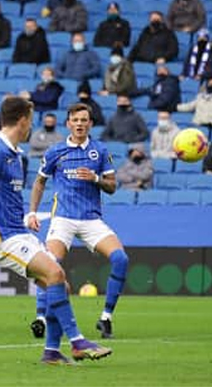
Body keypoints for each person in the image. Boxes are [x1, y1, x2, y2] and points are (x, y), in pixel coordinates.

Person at [0, 97, 112, 364]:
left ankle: (51, 352)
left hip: (18, 232)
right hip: (1, 238)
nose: (32, 126)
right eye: (30, 120)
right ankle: (77, 342)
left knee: (59, 285)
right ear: (22, 121)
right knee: (55, 273)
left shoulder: (15, 154)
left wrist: (28, 215)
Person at [27, 102, 127, 339]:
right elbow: (39, 182)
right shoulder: (55, 151)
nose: (80, 124)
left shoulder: (100, 151)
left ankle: (106, 319)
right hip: (62, 218)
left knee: (121, 259)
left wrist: (95, 178)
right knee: (49, 264)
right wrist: (32, 212)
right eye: (76, 120)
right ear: (68, 123)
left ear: (90, 124)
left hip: (91, 219)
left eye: (84, 120)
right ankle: (41, 317)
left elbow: (112, 186)